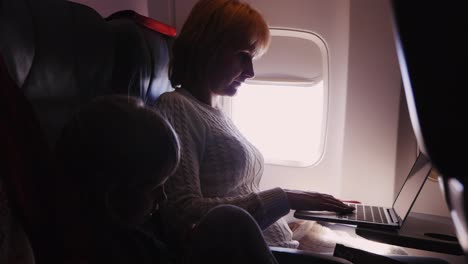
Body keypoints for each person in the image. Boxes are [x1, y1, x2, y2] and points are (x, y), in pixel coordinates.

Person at [155, 0, 354, 251]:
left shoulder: (218, 114)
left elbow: (243, 195)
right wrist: (286, 198)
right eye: (243, 57)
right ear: (207, 48)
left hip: (279, 247)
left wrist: (300, 202)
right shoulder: (176, 107)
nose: (250, 72)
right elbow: (182, 213)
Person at [55, 95, 278, 264]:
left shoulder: (135, 236)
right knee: (229, 220)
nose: (163, 198)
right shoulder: (99, 249)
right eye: (154, 188)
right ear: (113, 194)